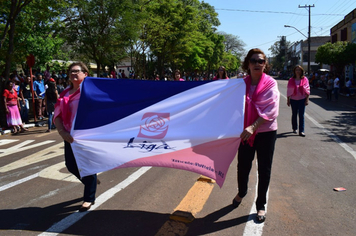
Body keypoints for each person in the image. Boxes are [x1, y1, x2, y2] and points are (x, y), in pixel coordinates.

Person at [232, 48, 280, 223]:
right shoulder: (240, 85)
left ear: (265, 64)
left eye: (261, 61)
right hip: (246, 132)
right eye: (254, 61)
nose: (257, 64)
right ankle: (242, 192)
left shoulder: (271, 84)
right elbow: (231, 105)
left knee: (264, 169)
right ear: (248, 64)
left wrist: (253, 126)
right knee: (243, 166)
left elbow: (272, 109)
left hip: (266, 132)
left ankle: (261, 205)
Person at [54, 62, 98, 212]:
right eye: (71, 71)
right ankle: (90, 181)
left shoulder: (91, 91)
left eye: (77, 71)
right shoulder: (64, 94)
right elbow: (57, 115)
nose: (73, 74)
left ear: (85, 74)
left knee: (87, 165)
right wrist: (62, 132)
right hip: (70, 136)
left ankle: (88, 198)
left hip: (87, 136)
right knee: (71, 166)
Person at [287, 65, 310, 137]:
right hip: (293, 100)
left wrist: (307, 100)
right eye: (296, 70)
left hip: (302, 99)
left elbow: (307, 90)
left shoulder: (304, 79)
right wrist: (288, 100)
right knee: (294, 114)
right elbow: (289, 90)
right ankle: (294, 128)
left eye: (299, 70)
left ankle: (301, 131)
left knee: (301, 115)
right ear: (294, 71)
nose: (298, 71)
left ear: (301, 71)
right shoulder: (291, 80)